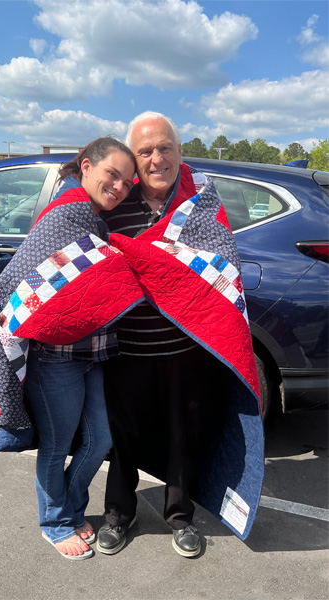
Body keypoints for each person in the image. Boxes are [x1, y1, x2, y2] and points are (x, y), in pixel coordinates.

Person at [97, 112, 263, 558]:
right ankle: (118, 513)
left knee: (182, 433)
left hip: (187, 348)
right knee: (123, 435)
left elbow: (224, 264)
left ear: (179, 150)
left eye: (164, 147)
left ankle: (180, 516)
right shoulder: (114, 203)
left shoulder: (201, 202)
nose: (156, 158)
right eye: (145, 151)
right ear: (134, 158)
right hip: (127, 348)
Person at [0, 137, 137, 560]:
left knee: (100, 441)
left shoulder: (92, 217)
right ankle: (54, 522)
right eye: (113, 175)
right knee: (57, 445)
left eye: (127, 183)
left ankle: (69, 507)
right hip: (56, 358)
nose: (120, 188)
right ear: (86, 166)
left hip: (92, 354)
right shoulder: (65, 215)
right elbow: (11, 288)